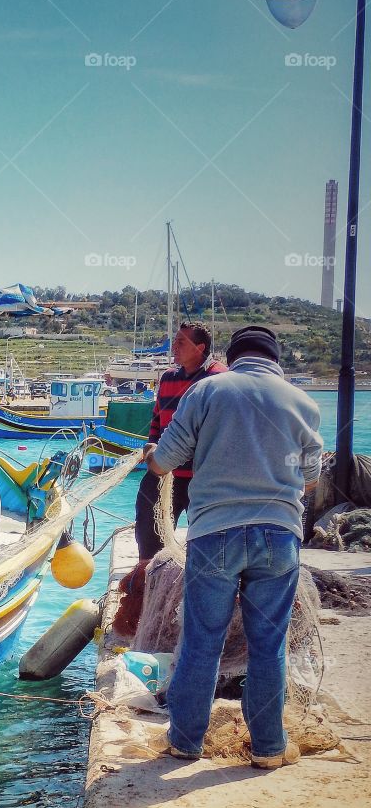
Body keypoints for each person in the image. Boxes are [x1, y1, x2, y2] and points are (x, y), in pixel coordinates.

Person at [144, 325, 322, 769]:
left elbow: (165, 460)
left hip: (215, 533)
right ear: (276, 359)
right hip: (279, 536)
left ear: (234, 354)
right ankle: (268, 748)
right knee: (269, 644)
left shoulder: (208, 391)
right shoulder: (303, 402)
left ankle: (185, 741)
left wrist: (151, 455)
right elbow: (311, 478)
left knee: (202, 640)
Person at [134, 323, 227, 561]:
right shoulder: (168, 378)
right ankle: (149, 572)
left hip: (205, 479)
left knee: (208, 540)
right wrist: (153, 447)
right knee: (148, 523)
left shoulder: (220, 379)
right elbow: (157, 418)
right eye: (174, 341)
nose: (174, 346)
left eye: (181, 342)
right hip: (166, 473)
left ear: (200, 347)